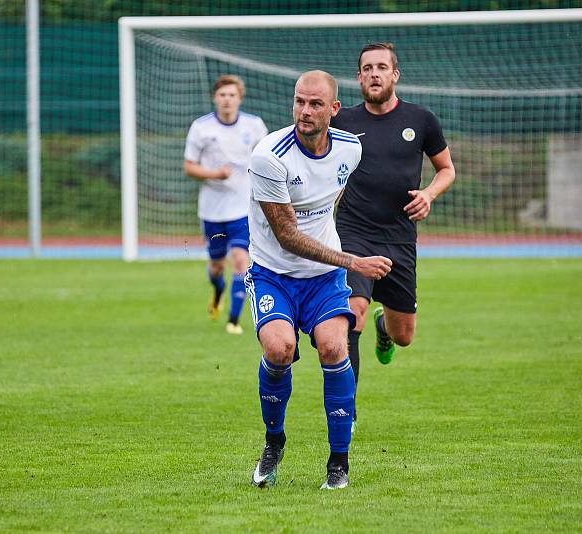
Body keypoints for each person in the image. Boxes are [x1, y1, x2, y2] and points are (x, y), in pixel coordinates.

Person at [246, 70, 392, 490]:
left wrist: (337, 252)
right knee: (279, 348)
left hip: (323, 277)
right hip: (273, 273)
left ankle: (338, 462)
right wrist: (354, 261)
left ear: (333, 109)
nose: (304, 111)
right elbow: (288, 236)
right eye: (298, 102)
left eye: (314, 104)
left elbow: (333, 195)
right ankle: (274, 442)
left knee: (333, 346)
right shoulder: (269, 156)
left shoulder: (351, 148)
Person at [331, 43, 455, 430]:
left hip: (400, 238)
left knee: (404, 337)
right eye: (367, 68)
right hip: (353, 233)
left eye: (381, 67)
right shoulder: (343, 122)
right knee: (352, 315)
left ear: (394, 75)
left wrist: (429, 195)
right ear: (358, 77)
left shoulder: (421, 119)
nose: (374, 74)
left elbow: (446, 169)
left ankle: (387, 329)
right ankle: (346, 411)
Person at [184, 75, 268, 334]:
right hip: (212, 209)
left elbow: (267, 159)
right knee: (217, 265)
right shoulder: (201, 128)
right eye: (222, 95)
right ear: (215, 98)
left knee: (241, 259)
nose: (227, 100)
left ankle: (233, 320)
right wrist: (214, 174)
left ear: (240, 98)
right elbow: (189, 166)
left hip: (242, 207)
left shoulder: (254, 126)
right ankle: (218, 289)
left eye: (232, 95)